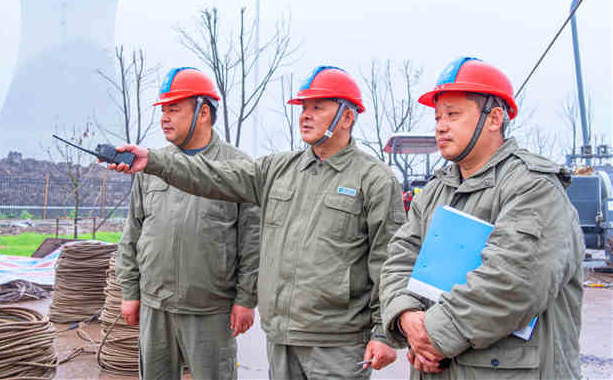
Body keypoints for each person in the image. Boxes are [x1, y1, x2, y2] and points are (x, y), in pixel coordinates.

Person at [109, 66, 404, 379]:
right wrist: (153, 161)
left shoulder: (374, 180)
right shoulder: (279, 170)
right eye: (303, 107)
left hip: (338, 341)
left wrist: (384, 334)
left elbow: (389, 261)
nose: (305, 116)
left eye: (318, 107)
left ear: (347, 117)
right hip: (282, 336)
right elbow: (212, 175)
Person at [380, 57, 584, 379]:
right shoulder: (435, 191)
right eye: (437, 117)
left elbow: (515, 281)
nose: (440, 126)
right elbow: (399, 259)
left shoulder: (533, 186)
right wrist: (406, 316)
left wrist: (431, 335)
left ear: (494, 118)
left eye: (453, 115)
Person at [115, 67, 260, 380]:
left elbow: (253, 242)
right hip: (156, 306)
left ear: (203, 112)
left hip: (210, 309)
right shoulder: (150, 166)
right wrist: (129, 291)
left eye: (174, 109)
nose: (164, 118)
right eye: (163, 110)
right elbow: (132, 233)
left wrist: (246, 299)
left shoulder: (238, 167)